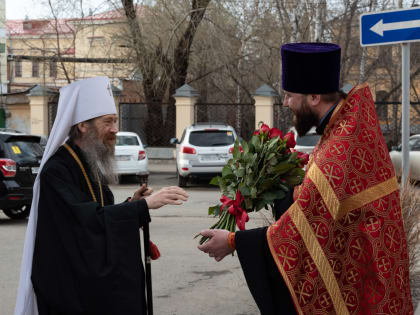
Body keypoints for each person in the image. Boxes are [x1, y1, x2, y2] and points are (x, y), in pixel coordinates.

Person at [198, 43, 413, 314]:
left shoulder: (340, 148)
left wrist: (232, 241)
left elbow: (301, 231)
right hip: (369, 277)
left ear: (313, 96)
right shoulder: (345, 127)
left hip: (365, 291)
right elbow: (321, 208)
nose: (286, 102)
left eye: (289, 95)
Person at [15, 76, 188, 315]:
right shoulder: (57, 171)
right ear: (83, 125)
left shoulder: (88, 161)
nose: (115, 129)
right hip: (70, 291)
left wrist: (133, 204)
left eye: (115, 121)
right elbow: (86, 222)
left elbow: (100, 213)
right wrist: (142, 207)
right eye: (108, 122)